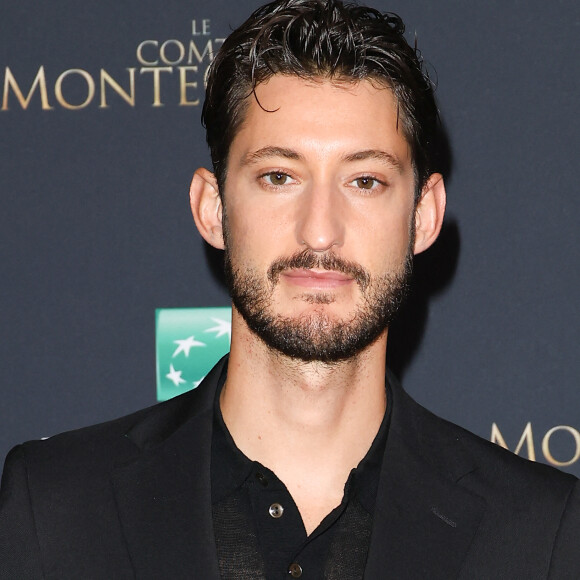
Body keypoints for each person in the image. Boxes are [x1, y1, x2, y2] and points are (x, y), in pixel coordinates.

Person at [1, 0, 578, 577]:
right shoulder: (53, 509)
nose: (320, 230)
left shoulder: (541, 534)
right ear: (212, 207)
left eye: (365, 180)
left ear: (424, 215)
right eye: (279, 176)